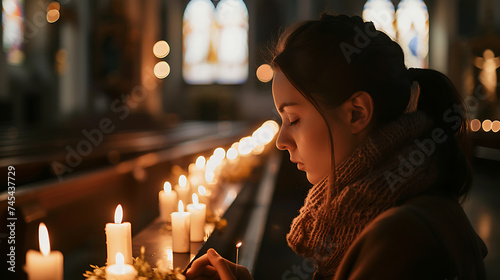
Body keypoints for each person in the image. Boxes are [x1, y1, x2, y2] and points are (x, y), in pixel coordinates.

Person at [186, 13, 488, 280]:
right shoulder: (384, 210)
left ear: (356, 113)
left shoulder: (398, 240)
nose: (281, 141)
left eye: (293, 119)